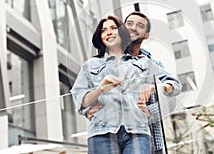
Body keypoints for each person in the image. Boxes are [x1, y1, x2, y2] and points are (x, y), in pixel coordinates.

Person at [71, 15, 181, 154]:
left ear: (122, 33)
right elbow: (79, 100)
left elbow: (175, 84)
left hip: (138, 132)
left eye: (113, 28)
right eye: (104, 30)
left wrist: (155, 87)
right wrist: (100, 89)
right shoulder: (90, 65)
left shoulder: (143, 62)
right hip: (101, 133)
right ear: (101, 37)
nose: (109, 32)